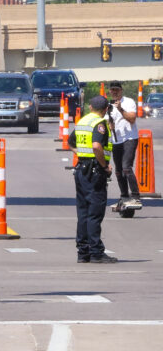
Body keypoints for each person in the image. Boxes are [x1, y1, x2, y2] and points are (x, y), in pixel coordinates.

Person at [68, 96, 117, 263]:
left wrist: (82, 154)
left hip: (81, 169)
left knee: (83, 212)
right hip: (95, 171)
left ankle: (83, 252)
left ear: (90, 107)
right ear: (105, 110)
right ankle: (96, 252)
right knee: (95, 213)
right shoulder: (99, 123)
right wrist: (104, 165)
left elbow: (70, 142)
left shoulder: (83, 121)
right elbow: (97, 146)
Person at [107, 81, 141, 210]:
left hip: (130, 138)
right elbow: (106, 121)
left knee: (126, 168)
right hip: (116, 140)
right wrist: (109, 125)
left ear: (121, 90)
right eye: (112, 90)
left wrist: (120, 108)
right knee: (118, 171)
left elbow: (132, 119)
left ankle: (136, 196)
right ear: (110, 91)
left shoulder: (129, 102)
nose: (115, 92)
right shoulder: (108, 105)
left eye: (117, 90)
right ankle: (124, 197)